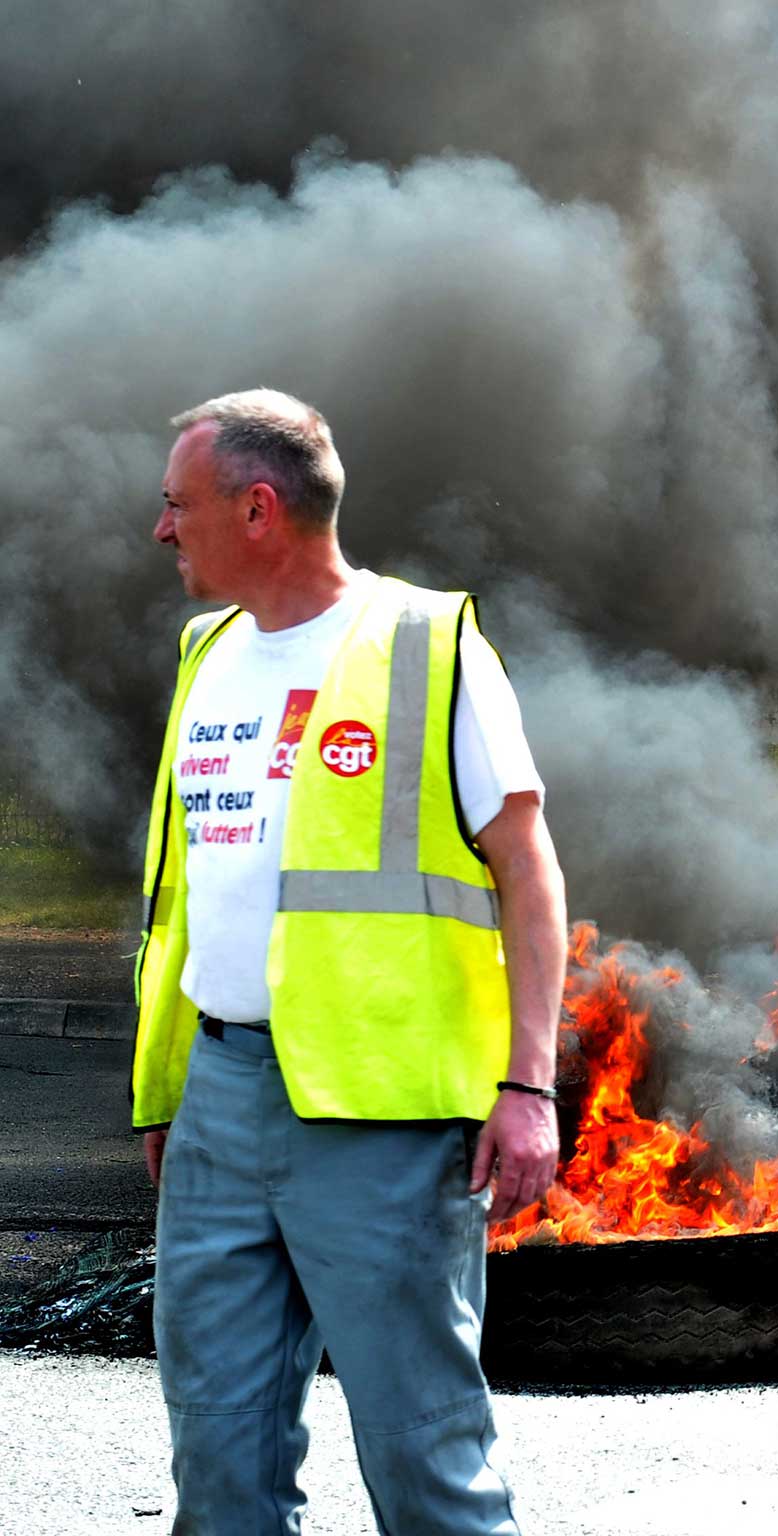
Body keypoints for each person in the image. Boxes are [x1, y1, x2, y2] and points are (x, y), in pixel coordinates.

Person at [133, 389, 566, 1534]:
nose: (162, 529)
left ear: (258, 508)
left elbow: (527, 871)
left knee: (427, 1463)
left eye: (179, 504)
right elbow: (189, 897)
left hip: (381, 1119)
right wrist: (168, 1089)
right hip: (220, 1103)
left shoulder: (430, 645)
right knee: (218, 1459)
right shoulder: (206, 653)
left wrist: (528, 1085)